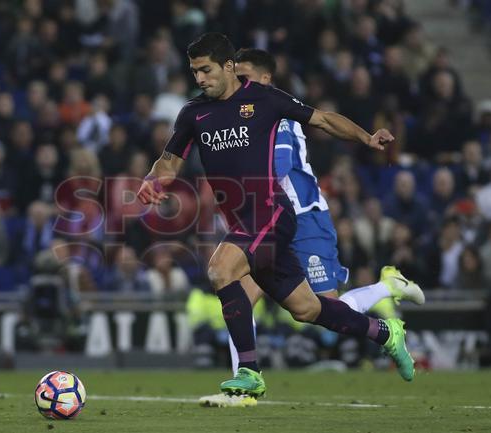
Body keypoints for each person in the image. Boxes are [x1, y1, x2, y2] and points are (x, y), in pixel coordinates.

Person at [137, 33, 414, 402]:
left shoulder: (264, 99)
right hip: (243, 223)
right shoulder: (193, 113)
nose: (200, 78)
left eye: (206, 70)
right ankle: (385, 332)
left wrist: (365, 138)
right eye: (194, 72)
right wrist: (154, 180)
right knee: (307, 308)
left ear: (229, 67)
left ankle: (249, 372)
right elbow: (170, 161)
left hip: (271, 210)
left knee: (221, 270)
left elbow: (324, 120)